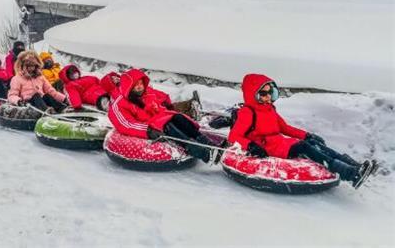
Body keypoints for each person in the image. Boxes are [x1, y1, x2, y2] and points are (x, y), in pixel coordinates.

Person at [228, 73, 376, 188]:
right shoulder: (248, 112)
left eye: (270, 92)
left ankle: (355, 165)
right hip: (267, 147)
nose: (267, 97)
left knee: (312, 142)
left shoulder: (269, 109)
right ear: (253, 94)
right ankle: (350, 174)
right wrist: (251, 146)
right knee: (306, 148)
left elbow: (284, 128)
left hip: (281, 142)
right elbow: (234, 135)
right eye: (263, 93)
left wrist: (307, 134)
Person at [108, 68, 220, 164]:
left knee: (179, 118)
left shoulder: (147, 92)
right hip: (149, 125)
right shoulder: (119, 104)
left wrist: (167, 103)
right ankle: (203, 153)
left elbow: (161, 96)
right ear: (129, 86)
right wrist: (147, 131)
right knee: (169, 126)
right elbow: (126, 124)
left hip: (160, 117)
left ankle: (207, 143)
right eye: (136, 85)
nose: (140, 87)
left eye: (141, 84)